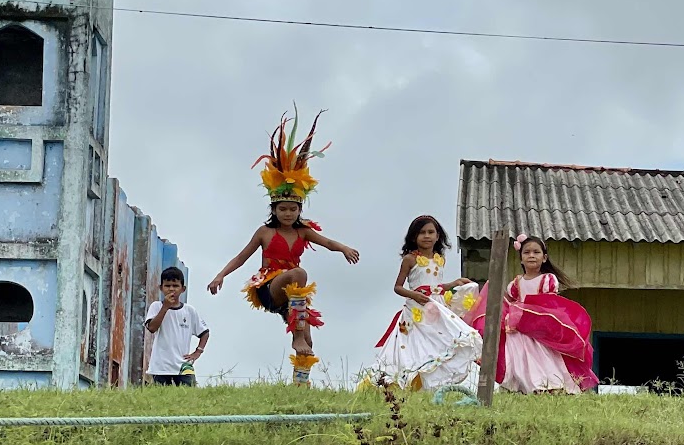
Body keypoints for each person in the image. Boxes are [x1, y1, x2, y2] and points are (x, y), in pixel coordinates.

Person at [206, 112, 360, 386]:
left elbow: (327, 243)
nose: (288, 214)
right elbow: (241, 257)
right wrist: (221, 275)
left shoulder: (303, 231)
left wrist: (344, 248)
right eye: (283, 209)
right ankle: (297, 337)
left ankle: (300, 384)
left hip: (294, 297)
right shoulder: (265, 232)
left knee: (308, 336)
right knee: (298, 273)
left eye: (292, 209)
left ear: (299, 210)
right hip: (269, 287)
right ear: (274, 210)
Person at [365, 215, 482, 392]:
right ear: (414, 237)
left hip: (437, 306)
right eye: (422, 233)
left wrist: (454, 284)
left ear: (438, 236)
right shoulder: (410, 259)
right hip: (417, 309)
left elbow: (436, 286)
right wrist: (414, 295)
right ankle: (409, 381)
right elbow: (398, 287)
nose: (426, 236)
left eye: (430, 232)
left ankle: (432, 384)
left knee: (442, 341)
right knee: (415, 345)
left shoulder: (440, 259)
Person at [472, 235, 598, 393]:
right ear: (521, 259)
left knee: (544, 357)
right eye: (527, 252)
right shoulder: (515, 284)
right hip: (518, 331)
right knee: (519, 357)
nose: (531, 255)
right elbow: (512, 303)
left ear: (544, 258)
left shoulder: (547, 280)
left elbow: (548, 305)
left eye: (536, 252)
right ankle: (520, 385)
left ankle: (548, 384)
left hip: (539, 330)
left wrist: (527, 315)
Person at [144, 266, 209, 386]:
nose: (171, 289)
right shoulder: (156, 306)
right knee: (161, 395)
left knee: (187, 394)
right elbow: (152, 328)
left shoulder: (189, 311)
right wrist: (165, 307)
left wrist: (198, 352)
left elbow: (204, 333)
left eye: (175, 286)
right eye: (167, 286)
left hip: (183, 365)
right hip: (161, 366)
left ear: (183, 289)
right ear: (161, 288)